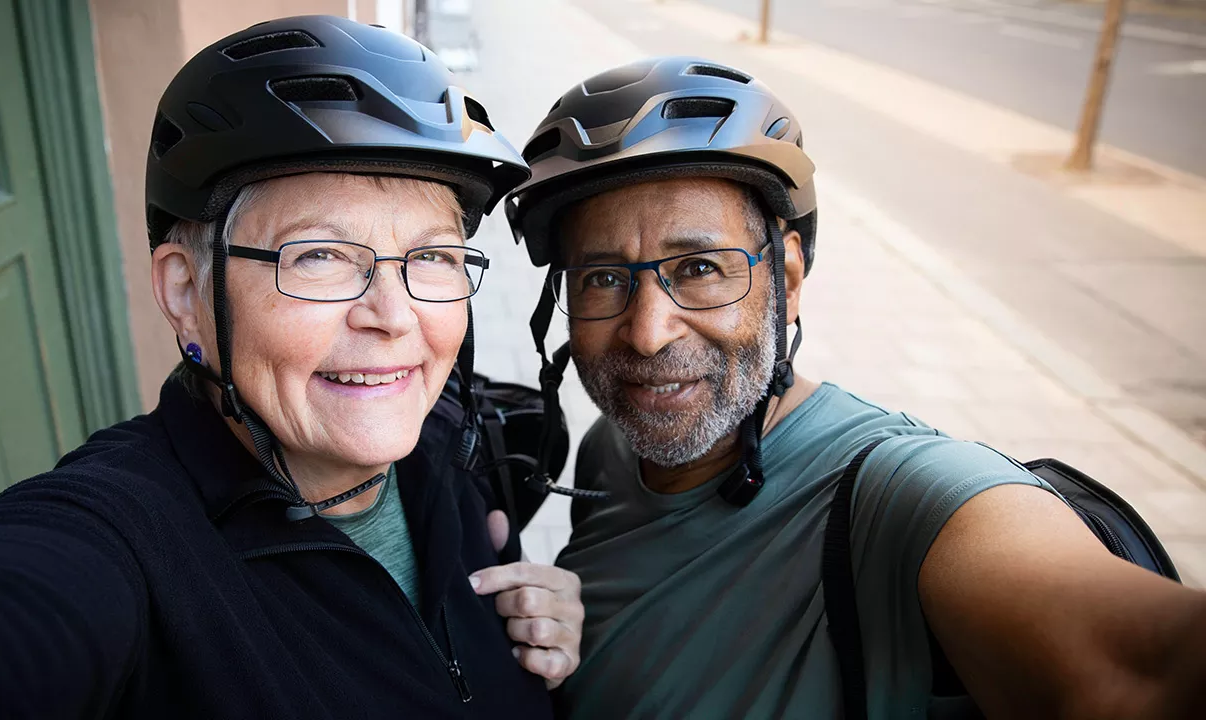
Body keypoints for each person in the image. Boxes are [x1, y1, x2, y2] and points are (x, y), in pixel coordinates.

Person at [0, 17, 583, 718]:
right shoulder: (129, 542)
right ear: (187, 294)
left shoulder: (452, 435)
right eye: (323, 255)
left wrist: (538, 626)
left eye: (433, 256)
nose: (396, 317)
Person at [505, 56, 1206, 718]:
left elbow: (1139, 669)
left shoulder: (905, 495)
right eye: (602, 279)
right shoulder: (612, 448)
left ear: (786, 280)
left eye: (700, 269)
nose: (648, 332)